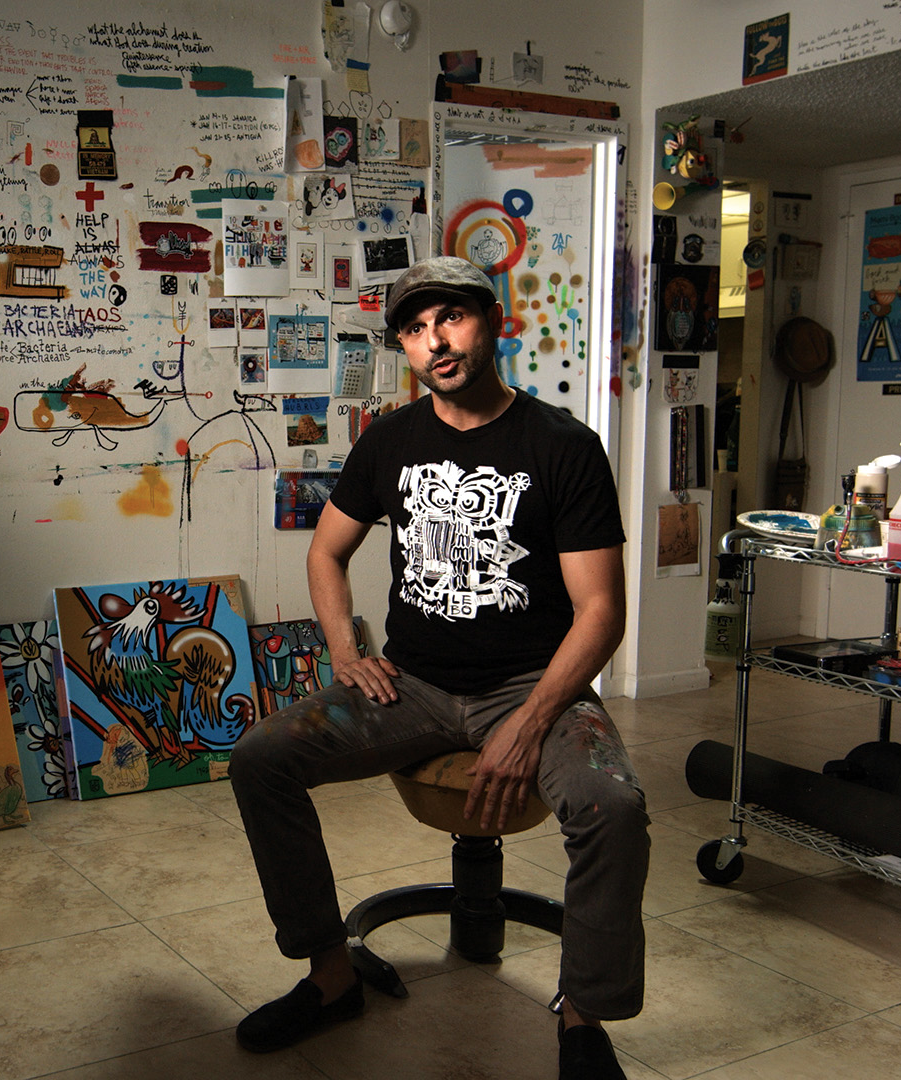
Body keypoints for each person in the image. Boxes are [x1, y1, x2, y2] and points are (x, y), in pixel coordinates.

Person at [229, 256, 648, 1080]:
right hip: (413, 684)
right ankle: (331, 975)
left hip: (532, 686)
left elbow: (601, 610)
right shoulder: (390, 440)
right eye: (416, 330)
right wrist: (346, 653)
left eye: (451, 318)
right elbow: (326, 551)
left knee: (614, 806)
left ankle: (582, 1020)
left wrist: (531, 722)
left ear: (493, 321)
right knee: (260, 760)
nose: (436, 342)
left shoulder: (563, 444)